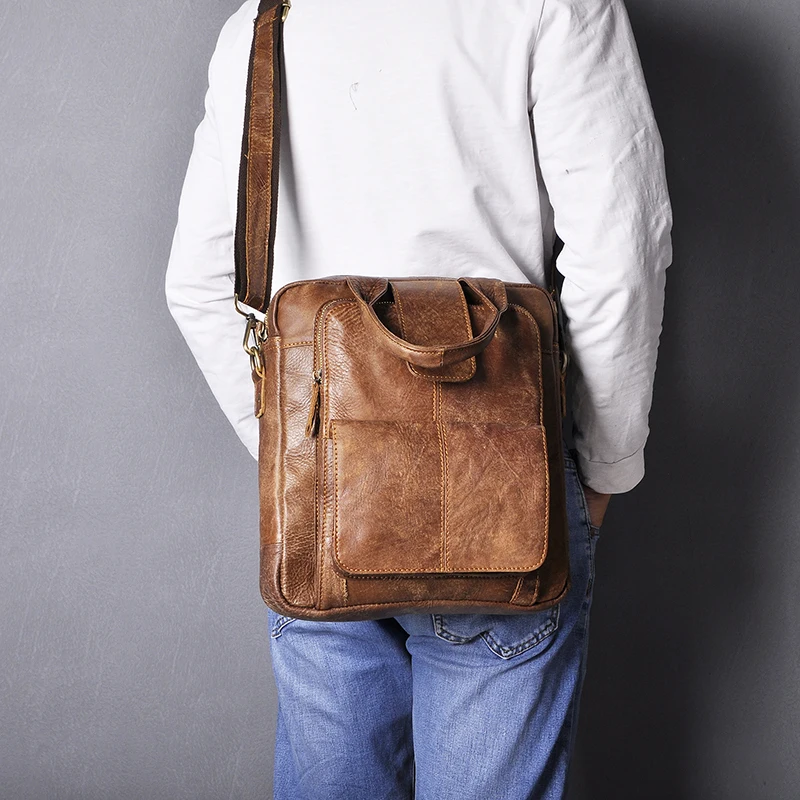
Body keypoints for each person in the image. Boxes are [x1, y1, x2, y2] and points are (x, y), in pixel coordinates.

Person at [165, 0, 672, 797]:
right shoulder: (556, 6)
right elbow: (621, 258)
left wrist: (299, 465)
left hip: (326, 504)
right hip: (504, 490)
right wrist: (600, 471)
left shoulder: (266, 22)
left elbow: (199, 284)